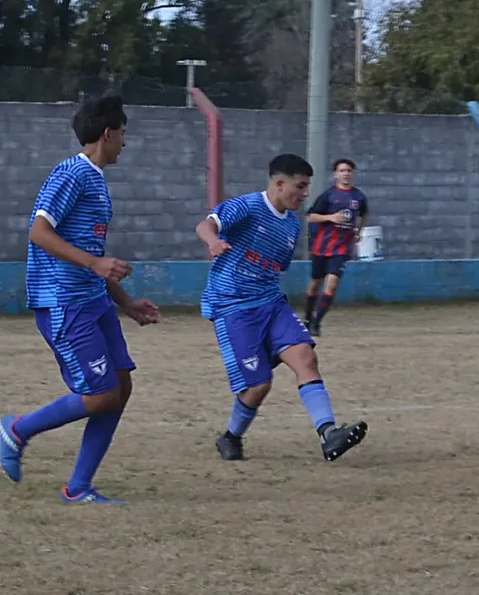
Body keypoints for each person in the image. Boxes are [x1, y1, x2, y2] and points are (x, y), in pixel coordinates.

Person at [0, 93, 160, 505]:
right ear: (107, 134)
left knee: (120, 388)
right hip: (64, 303)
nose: (126, 141)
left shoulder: (96, 181)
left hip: (95, 302)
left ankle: (79, 488)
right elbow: (38, 232)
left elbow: (95, 258)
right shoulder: (71, 173)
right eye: (124, 133)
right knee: (101, 393)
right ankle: (16, 430)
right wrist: (94, 264)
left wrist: (125, 301)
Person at [196, 154, 368, 463]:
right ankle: (231, 437)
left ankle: (329, 435)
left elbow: (275, 268)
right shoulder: (247, 206)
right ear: (279, 184)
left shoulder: (290, 225)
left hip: (271, 303)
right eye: (300, 187)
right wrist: (213, 241)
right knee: (259, 385)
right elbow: (206, 225)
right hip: (233, 307)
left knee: (306, 357)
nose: (305, 195)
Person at [303, 158, 369, 336]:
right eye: (342, 170)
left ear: (352, 174)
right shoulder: (329, 195)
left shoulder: (359, 197)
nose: (345, 173)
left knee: (331, 286)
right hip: (322, 247)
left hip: (342, 248)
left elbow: (364, 214)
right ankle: (307, 319)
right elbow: (310, 216)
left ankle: (317, 324)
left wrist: (358, 231)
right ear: (336, 175)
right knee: (315, 285)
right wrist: (330, 218)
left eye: (348, 170)